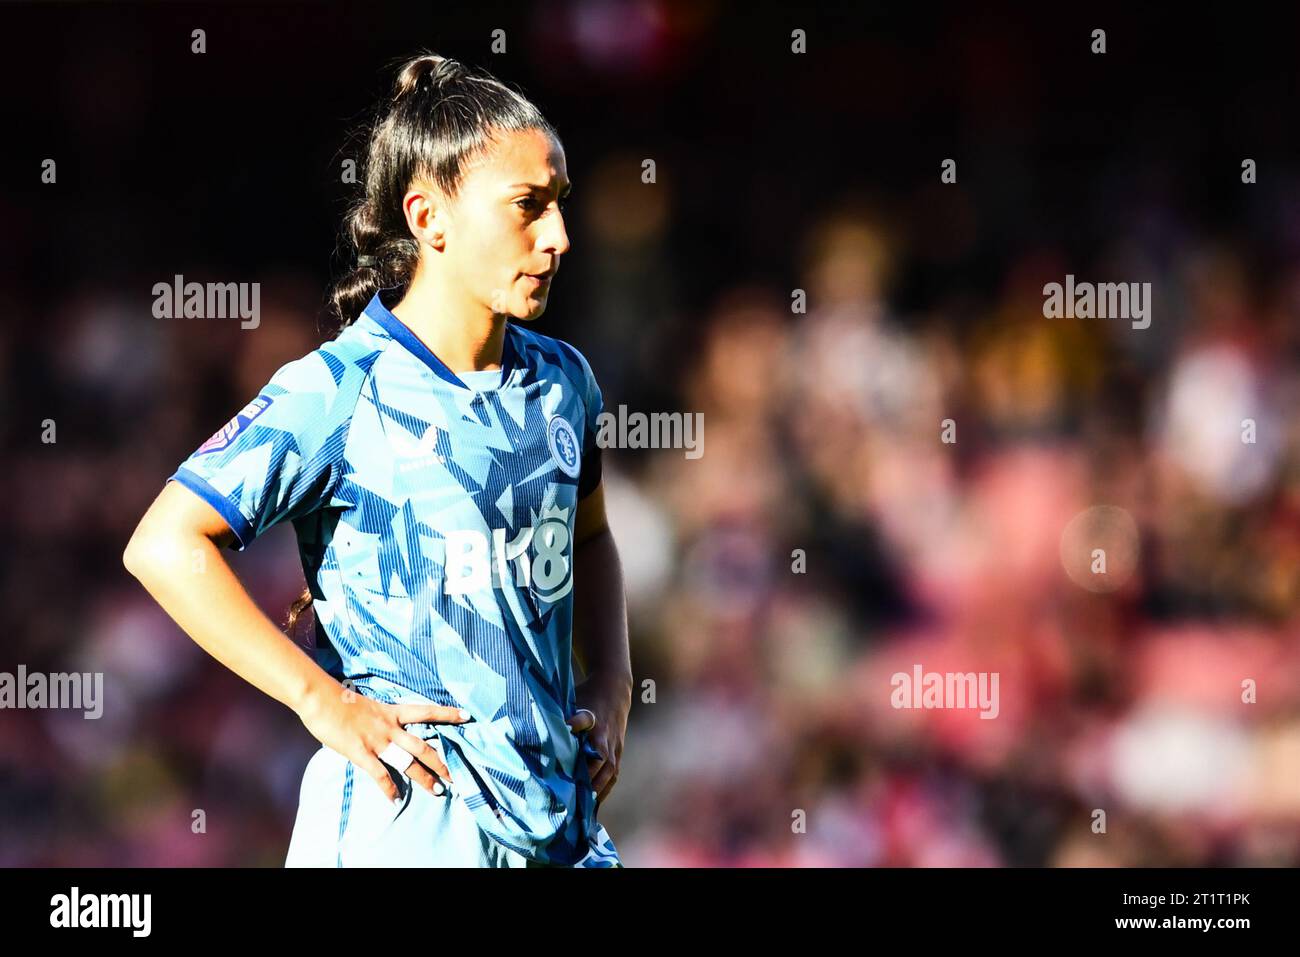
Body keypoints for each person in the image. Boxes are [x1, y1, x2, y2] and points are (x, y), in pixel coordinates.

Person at [122, 51, 632, 867]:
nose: (559, 236)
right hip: (409, 823)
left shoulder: (564, 381)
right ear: (428, 218)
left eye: (561, 204)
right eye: (527, 206)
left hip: (559, 828)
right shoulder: (340, 389)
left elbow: (593, 537)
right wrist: (321, 701)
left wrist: (613, 683)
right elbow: (164, 543)